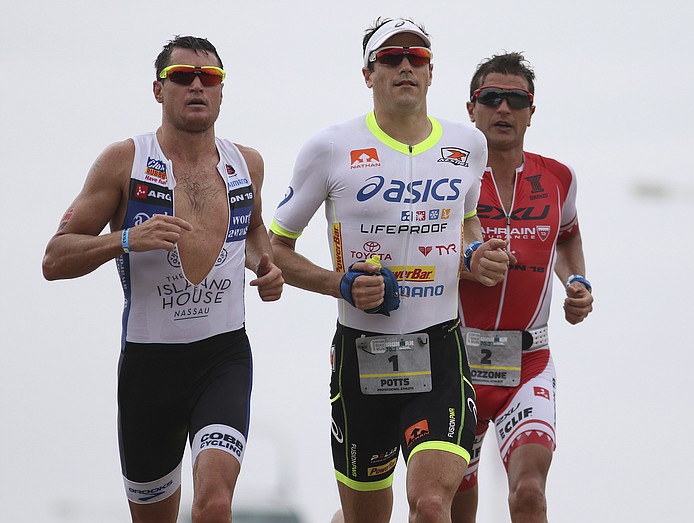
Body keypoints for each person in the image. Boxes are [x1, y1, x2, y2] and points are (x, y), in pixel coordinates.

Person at [269, 18, 510, 523]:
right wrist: (341, 284)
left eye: (417, 57)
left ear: (430, 73)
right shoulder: (330, 147)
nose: (405, 65)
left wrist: (475, 257)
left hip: (440, 351)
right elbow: (277, 250)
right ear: (368, 73)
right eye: (391, 57)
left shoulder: (468, 146)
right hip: (361, 354)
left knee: (428, 504)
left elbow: (468, 229)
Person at [41, 35, 284, 523]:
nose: (197, 85)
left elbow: (255, 228)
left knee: (215, 503)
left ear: (221, 92)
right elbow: (54, 259)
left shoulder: (246, 163)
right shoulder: (124, 162)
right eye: (182, 77)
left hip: (223, 355)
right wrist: (127, 239)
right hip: (149, 365)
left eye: (209, 78)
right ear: (159, 90)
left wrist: (265, 264)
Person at [451, 52, 594, 523]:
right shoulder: (448, 176)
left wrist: (576, 281)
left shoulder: (558, 177)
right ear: (472, 109)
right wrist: (468, 265)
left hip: (527, 362)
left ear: (533, 111)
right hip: (457, 361)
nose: (504, 110)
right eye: (491, 98)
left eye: (516, 100)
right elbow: (418, 254)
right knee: (454, 507)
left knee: (529, 494)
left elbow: (568, 236)